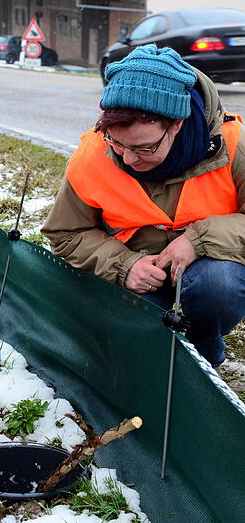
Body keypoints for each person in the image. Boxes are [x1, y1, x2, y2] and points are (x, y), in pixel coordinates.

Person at [42, 44, 245, 369]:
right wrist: (126, 265)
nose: (128, 158)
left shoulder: (232, 143)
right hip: (136, 275)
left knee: (216, 288)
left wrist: (198, 240)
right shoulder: (93, 155)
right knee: (133, 342)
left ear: (176, 124)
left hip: (209, 267)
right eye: (116, 143)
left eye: (144, 148)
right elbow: (66, 233)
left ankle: (206, 358)